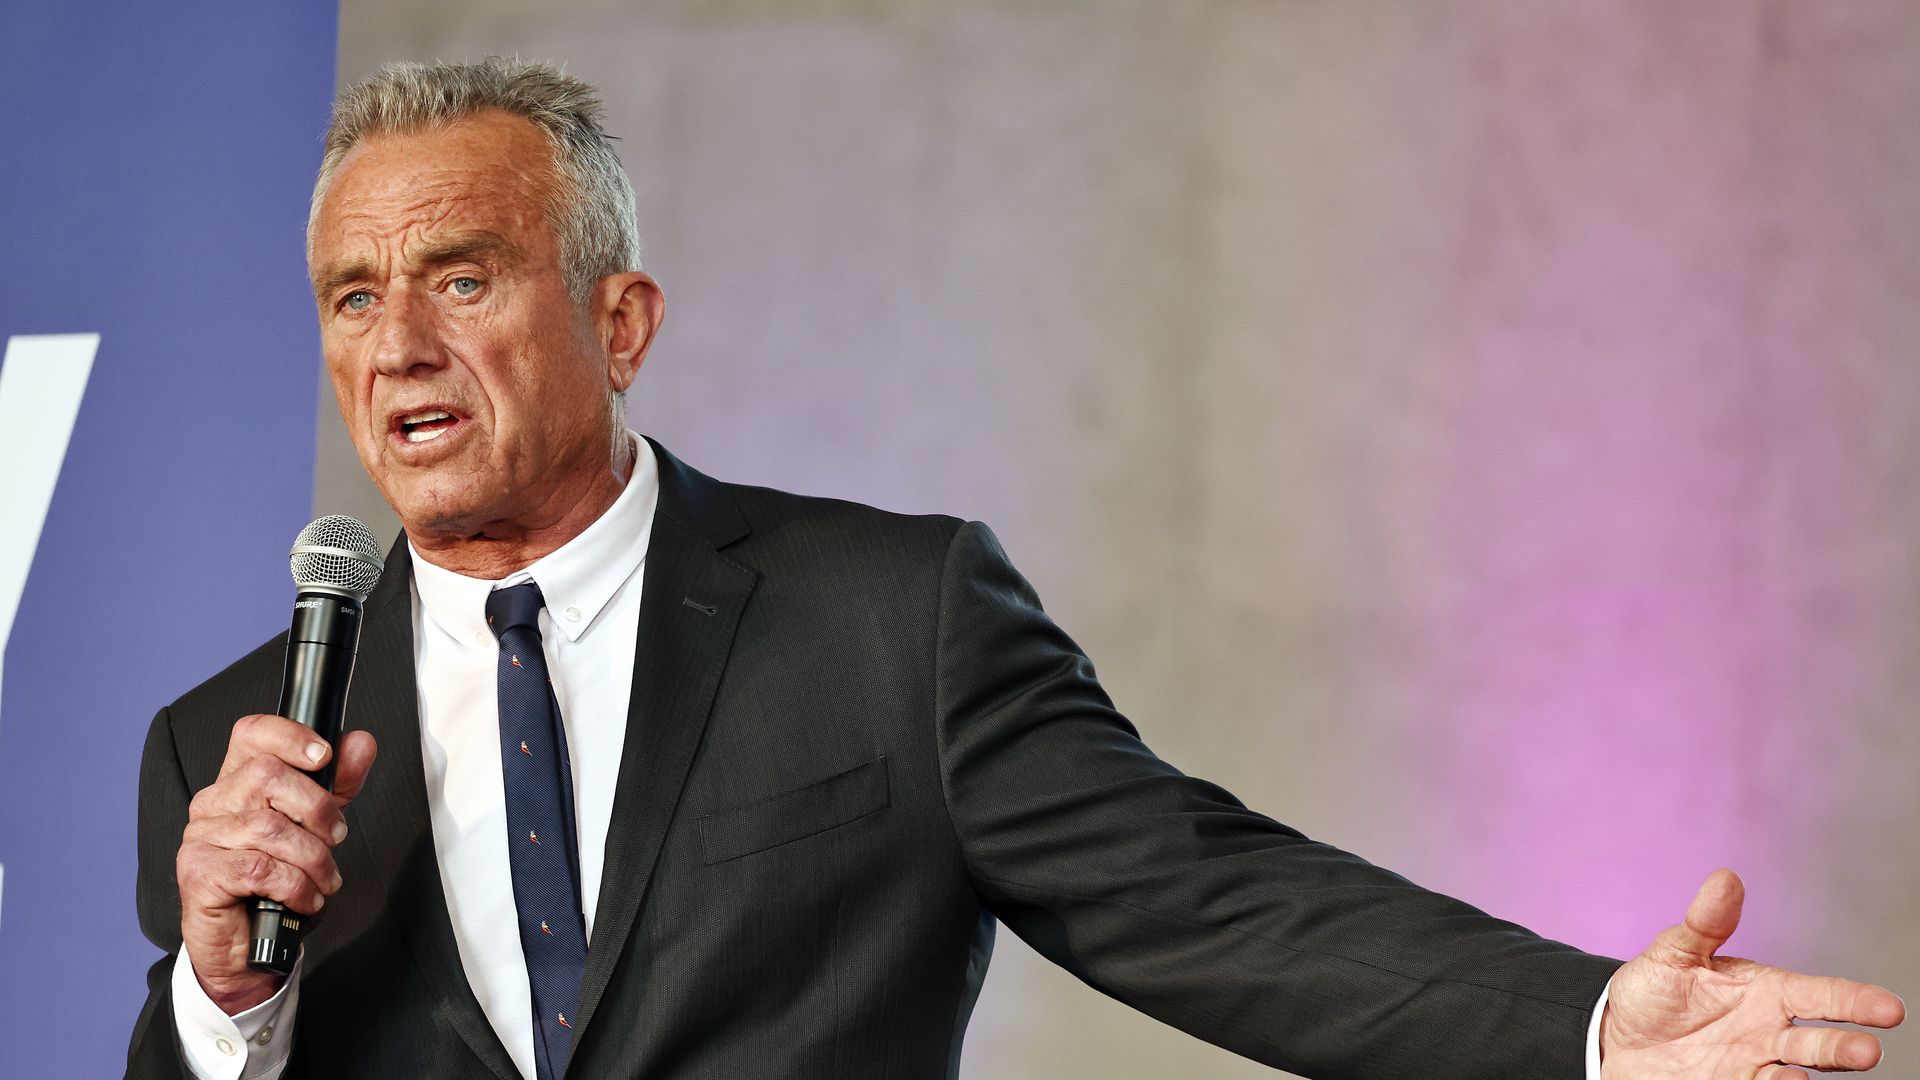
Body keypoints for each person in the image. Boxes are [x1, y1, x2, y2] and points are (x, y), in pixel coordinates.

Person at [126, 57, 1902, 1080]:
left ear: (623, 318)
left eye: (461, 275)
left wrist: (1590, 1028)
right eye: (353, 298)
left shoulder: (886, 623)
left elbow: (1216, 903)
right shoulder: (234, 751)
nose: (399, 345)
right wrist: (224, 991)